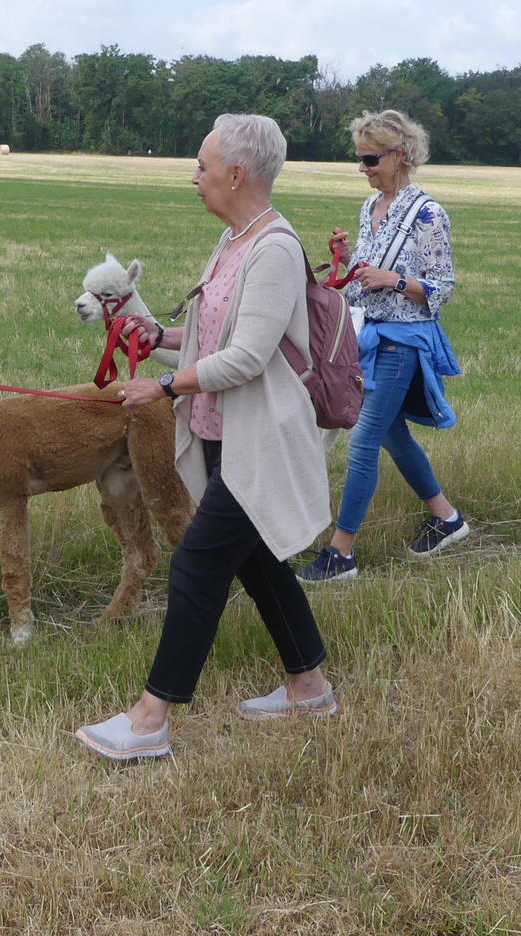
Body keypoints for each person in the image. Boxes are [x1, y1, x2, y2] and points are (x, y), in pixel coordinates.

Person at [75, 113, 334, 761]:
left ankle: (148, 720)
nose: (194, 177)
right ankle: (310, 684)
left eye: (201, 165)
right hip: (223, 432)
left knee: (195, 563)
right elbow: (208, 342)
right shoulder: (231, 242)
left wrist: (162, 389)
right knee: (257, 561)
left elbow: (245, 359)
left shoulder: (272, 249)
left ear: (236, 173)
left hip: (260, 439)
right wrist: (156, 341)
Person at [298, 109, 465, 583]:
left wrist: (395, 279)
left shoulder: (429, 214)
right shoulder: (368, 209)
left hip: (403, 342)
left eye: (370, 158)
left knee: (363, 442)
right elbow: (363, 283)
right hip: (369, 336)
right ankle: (447, 518)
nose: (363, 167)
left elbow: (443, 287)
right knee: (392, 436)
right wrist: (349, 260)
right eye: (360, 158)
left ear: (399, 155)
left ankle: (341, 553)